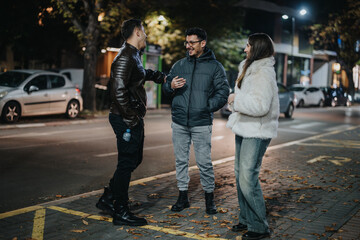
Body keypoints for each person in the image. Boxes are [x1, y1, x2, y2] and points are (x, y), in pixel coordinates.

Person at [96, 19, 166, 226]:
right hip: (126, 118)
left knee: (134, 159)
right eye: (143, 32)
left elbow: (139, 76)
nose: (146, 35)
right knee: (126, 163)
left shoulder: (133, 55)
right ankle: (121, 210)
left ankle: (109, 198)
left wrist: (160, 77)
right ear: (137, 32)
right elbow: (117, 91)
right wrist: (131, 119)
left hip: (130, 117)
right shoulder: (125, 57)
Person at [163, 27, 229, 215]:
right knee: (181, 161)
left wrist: (207, 106)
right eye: (186, 42)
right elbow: (167, 88)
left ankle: (210, 198)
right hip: (179, 122)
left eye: (192, 42)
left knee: (204, 162)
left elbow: (223, 92)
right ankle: (182, 197)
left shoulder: (215, 67)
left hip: (201, 122)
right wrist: (170, 86)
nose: (188, 46)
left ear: (203, 43)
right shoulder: (179, 65)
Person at [226, 33, 279, 240]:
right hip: (244, 128)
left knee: (248, 179)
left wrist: (235, 101)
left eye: (248, 46)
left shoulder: (263, 73)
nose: (245, 49)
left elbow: (260, 106)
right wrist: (236, 101)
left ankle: (259, 227)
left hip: (257, 132)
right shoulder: (249, 68)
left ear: (256, 48)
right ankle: (246, 219)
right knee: (240, 175)